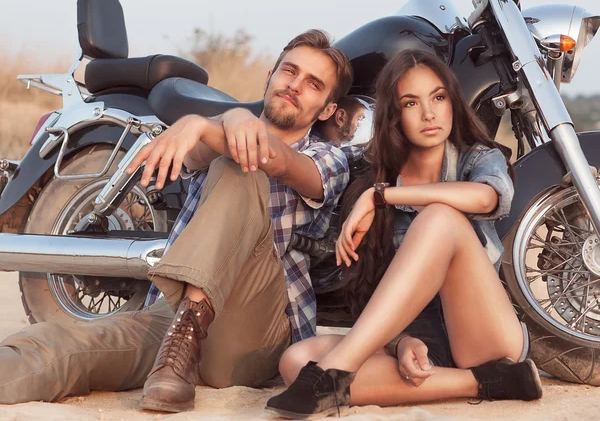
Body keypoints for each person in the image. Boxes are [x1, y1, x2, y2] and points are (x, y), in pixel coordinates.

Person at [0, 30, 354, 412]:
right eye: (290, 71)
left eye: (314, 84)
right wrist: (221, 120)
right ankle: (179, 346)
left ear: (326, 110)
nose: (295, 86)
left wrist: (201, 123)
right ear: (270, 75)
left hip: (254, 333)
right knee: (60, 345)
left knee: (242, 168)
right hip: (171, 326)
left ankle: (184, 338)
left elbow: (277, 161)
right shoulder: (215, 133)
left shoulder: (330, 160)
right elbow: (206, 149)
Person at [265, 49, 543, 420]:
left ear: (452, 101)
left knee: (440, 217)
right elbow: (370, 288)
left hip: (485, 336)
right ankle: (489, 382)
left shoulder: (476, 158)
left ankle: (336, 373)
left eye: (438, 97)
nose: (429, 114)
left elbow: (486, 197)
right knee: (296, 360)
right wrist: (400, 343)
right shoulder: (367, 176)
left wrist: (382, 197)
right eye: (411, 103)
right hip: (423, 346)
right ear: (394, 116)